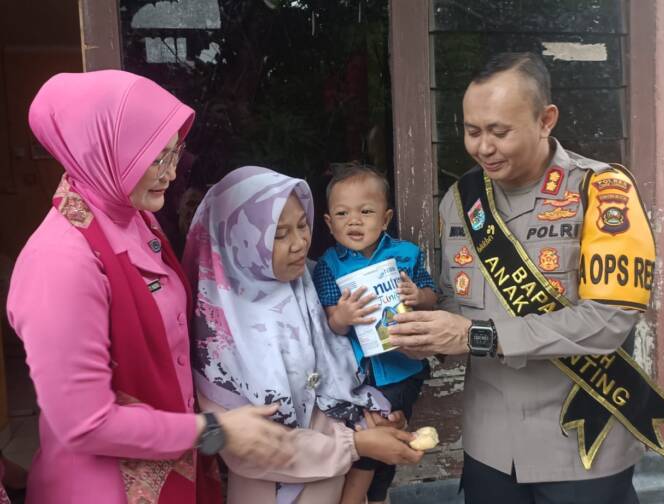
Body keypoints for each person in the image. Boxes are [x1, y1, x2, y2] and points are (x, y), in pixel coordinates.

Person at [6, 70, 296, 504]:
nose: (171, 172)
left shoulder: (134, 217)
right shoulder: (60, 262)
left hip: (173, 469)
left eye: (173, 152)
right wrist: (215, 431)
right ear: (100, 152)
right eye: (153, 159)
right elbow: (84, 423)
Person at [388, 52, 657, 503]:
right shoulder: (460, 201)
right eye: (472, 132)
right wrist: (426, 329)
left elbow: (610, 319)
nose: (483, 147)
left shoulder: (602, 191)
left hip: (581, 440)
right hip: (491, 443)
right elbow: (460, 308)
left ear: (545, 120)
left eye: (499, 131)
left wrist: (475, 336)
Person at [182, 166, 424, 504]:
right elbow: (245, 448)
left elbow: (346, 376)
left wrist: (376, 416)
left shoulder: (313, 284)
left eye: (302, 225)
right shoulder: (217, 334)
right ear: (239, 240)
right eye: (279, 234)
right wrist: (356, 445)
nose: (299, 244)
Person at [311, 163, 438, 504]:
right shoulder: (329, 265)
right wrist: (344, 315)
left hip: (401, 367)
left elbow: (430, 294)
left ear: (385, 218)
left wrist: (417, 296)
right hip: (357, 375)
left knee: (379, 436)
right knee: (377, 438)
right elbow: (328, 322)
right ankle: (375, 498)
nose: (354, 221)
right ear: (328, 222)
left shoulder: (405, 255)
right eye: (342, 213)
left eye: (366, 211)